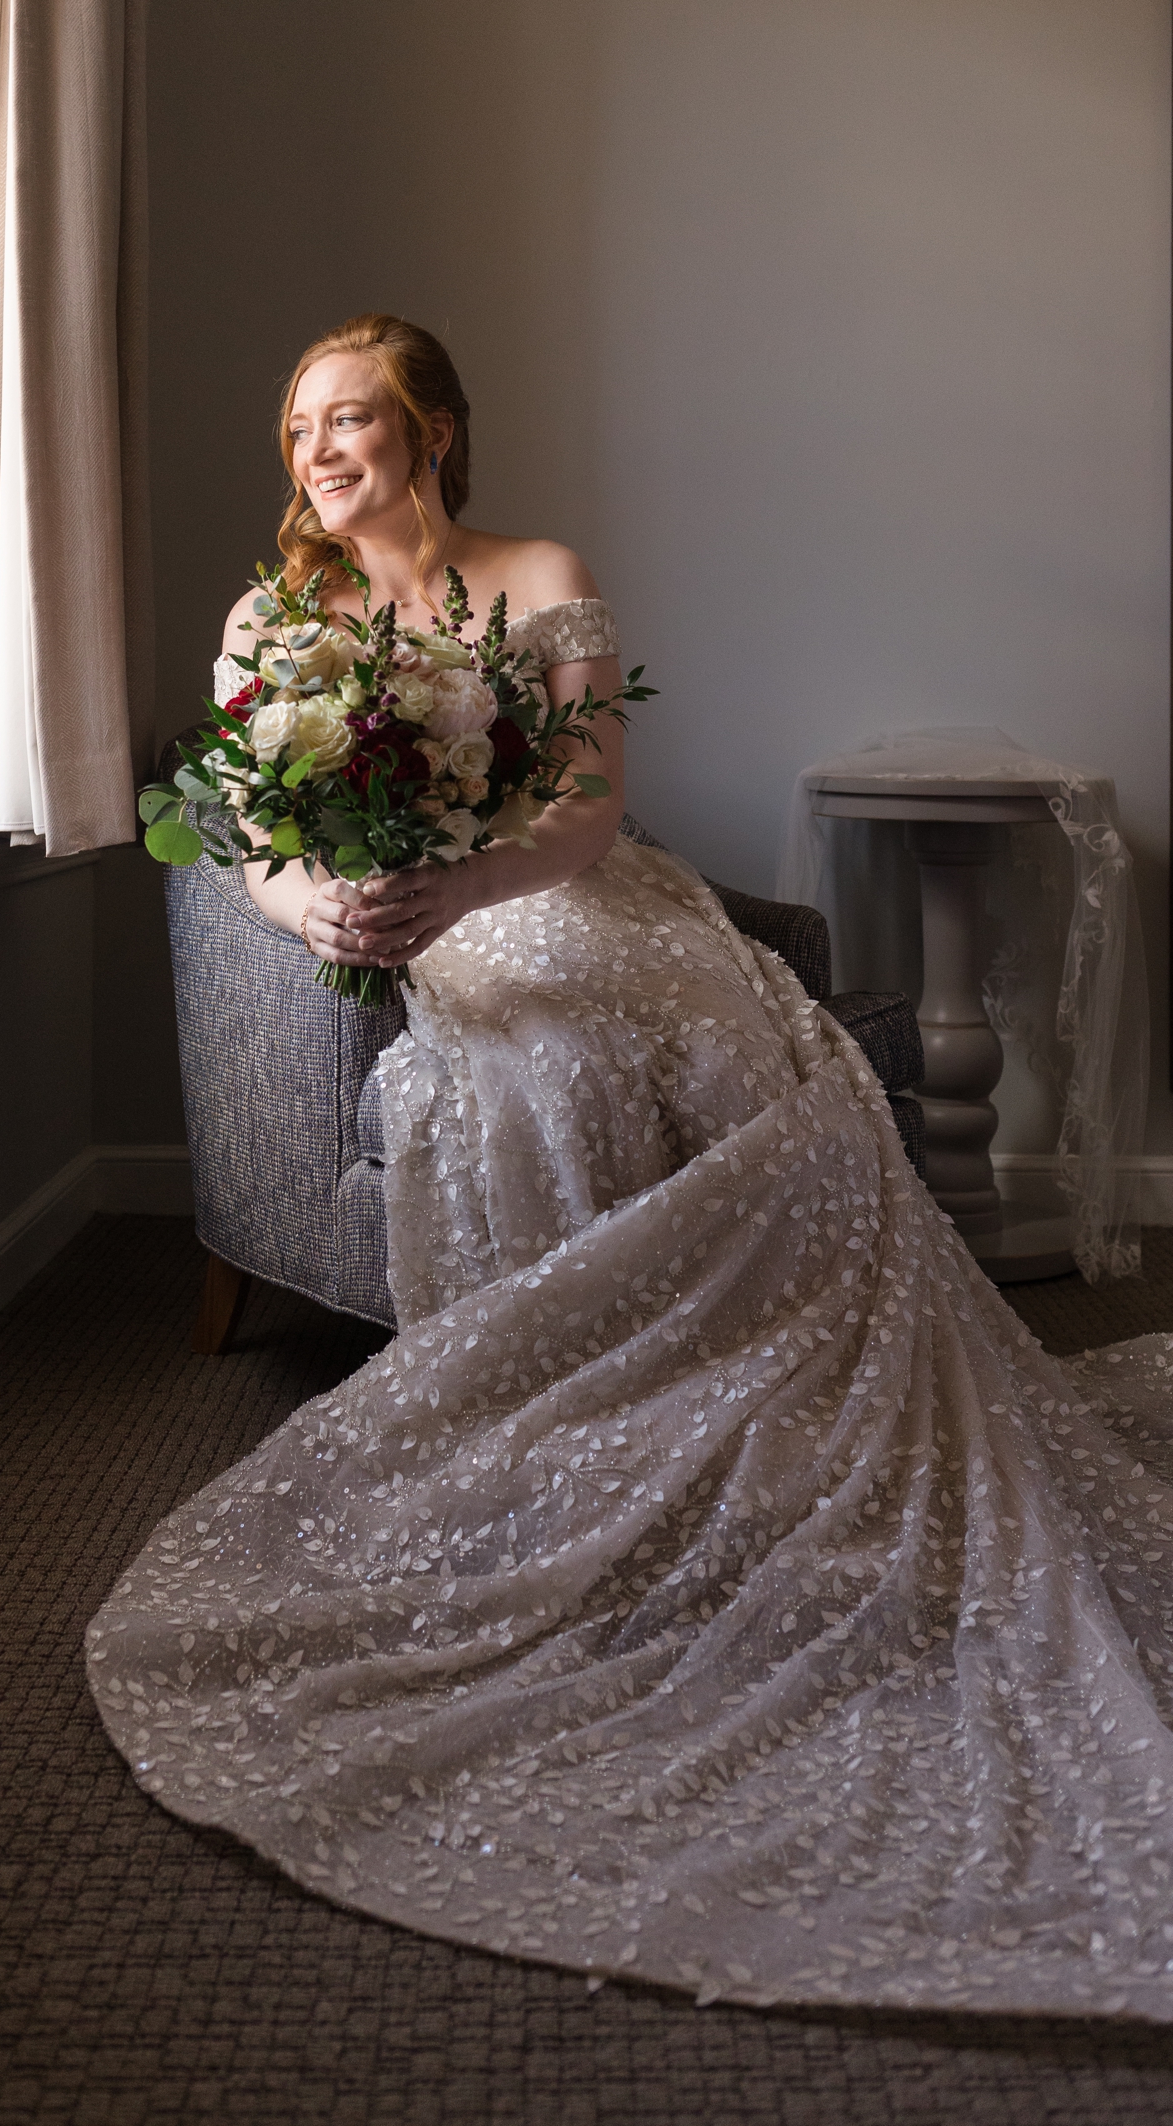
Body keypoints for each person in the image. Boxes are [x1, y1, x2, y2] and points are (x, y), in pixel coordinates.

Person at [89, 315, 1173, 2022]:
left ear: (436, 430)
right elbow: (250, 839)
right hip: (430, 934)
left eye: (353, 417)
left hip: (574, 901)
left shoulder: (539, 573)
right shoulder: (268, 618)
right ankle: (609, 1445)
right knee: (551, 1062)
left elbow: (589, 810)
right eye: (299, 424)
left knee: (736, 1044)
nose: (317, 450)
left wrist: (464, 884)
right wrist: (327, 906)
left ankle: (788, 1423)